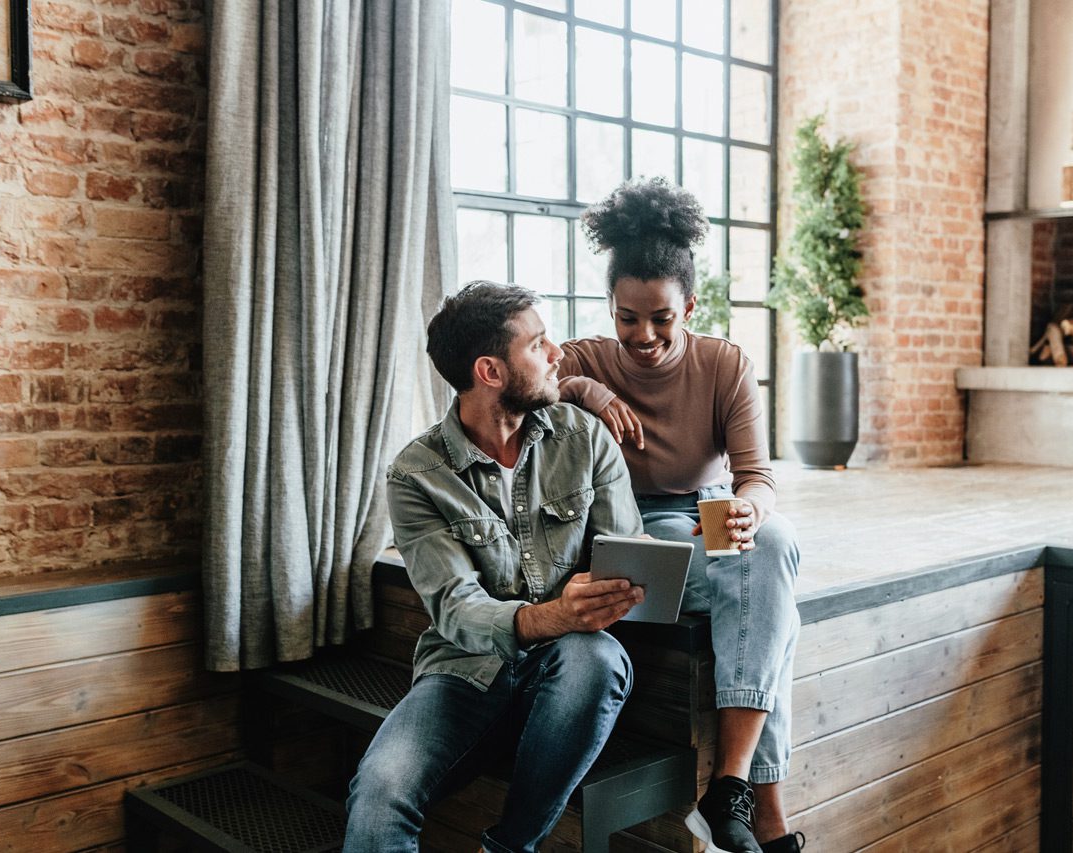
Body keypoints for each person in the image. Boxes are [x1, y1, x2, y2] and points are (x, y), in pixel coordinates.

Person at [344, 281, 648, 853]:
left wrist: (609, 591)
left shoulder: (583, 437)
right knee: (378, 793)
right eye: (537, 345)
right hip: (465, 669)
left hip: (570, 661)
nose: (557, 353)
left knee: (598, 660)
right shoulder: (416, 474)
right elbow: (456, 608)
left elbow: (628, 551)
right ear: (490, 371)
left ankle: (509, 847)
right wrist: (551, 614)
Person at [558, 178, 804, 853]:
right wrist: (591, 390)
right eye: (627, 317)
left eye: (661, 317)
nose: (643, 335)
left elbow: (756, 476)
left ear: (688, 306)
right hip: (640, 520)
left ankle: (726, 786)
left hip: (711, 507)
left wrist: (749, 512)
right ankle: (759, 809)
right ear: (610, 307)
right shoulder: (587, 357)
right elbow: (539, 379)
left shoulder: (724, 363)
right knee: (770, 608)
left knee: (772, 547)